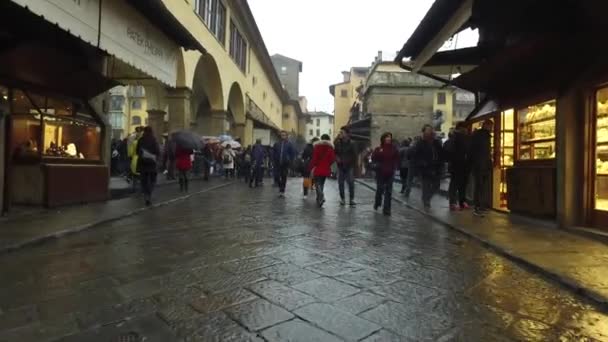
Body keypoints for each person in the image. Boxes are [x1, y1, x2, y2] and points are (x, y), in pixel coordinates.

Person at [413, 125, 444, 210]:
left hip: (436, 167)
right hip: (425, 168)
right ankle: (426, 201)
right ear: (424, 132)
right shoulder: (420, 143)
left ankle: (427, 198)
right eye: (428, 130)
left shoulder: (436, 142)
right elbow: (416, 156)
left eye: (431, 130)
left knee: (436, 186)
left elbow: (441, 153)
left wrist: (441, 163)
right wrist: (422, 163)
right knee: (426, 186)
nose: (430, 131)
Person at [469, 119, 494, 217]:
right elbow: (475, 151)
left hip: (484, 165)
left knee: (482, 186)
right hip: (479, 165)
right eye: (490, 126)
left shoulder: (486, 136)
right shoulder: (480, 135)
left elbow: (486, 152)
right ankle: (477, 207)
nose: (491, 129)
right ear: (486, 126)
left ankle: (481, 206)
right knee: (479, 186)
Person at [372, 132, 400, 216]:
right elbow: (374, 158)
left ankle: (387, 209)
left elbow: (397, 158)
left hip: (390, 172)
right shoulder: (379, 148)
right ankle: (377, 202)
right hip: (380, 172)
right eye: (387, 137)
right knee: (380, 189)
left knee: (388, 191)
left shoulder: (394, 148)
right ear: (383, 138)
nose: (388, 138)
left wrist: (396, 166)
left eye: (390, 137)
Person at [445, 122, 471, 211]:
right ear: (460, 128)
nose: (466, 130)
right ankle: (452, 203)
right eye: (465, 128)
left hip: (464, 165)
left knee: (463, 185)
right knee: (455, 184)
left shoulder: (466, 137)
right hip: (457, 165)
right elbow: (449, 151)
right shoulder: (454, 137)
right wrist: (457, 158)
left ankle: (462, 202)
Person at [309, 134, 336, 208]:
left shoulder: (317, 147)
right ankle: (319, 199)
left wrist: (311, 167)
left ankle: (321, 196)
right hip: (326, 168)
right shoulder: (330, 148)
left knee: (317, 183)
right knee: (322, 184)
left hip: (317, 168)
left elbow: (314, 158)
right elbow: (332, 159)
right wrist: (327, 163)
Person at [136, 127, 160, 206]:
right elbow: (157, 151)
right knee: (153, 180)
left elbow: (137, 151)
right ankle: (149, 194)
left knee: (144, 182)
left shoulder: (140, 140)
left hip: (142, 164)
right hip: (152, 164)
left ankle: (146, 196)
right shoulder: (154, 140)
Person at [334, 128, 358, 206]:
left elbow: (355, 155)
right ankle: (343, 199)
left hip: (349, 166)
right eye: (340, 132)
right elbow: (335, 153)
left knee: (351, 182)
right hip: (340, 166)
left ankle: (351, 199)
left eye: (342, 132)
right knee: (341, 183)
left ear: (347, 134)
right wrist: (337, 158)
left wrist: (352, 164)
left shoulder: (352, 143)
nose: (340, 134)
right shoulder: (338, 143)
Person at [273, 131, 297, 197]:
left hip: (285, 163)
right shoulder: (277, 144)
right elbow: (273, 152)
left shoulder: (289, 144)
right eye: (282, 135)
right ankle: (280, 186)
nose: (283, 136)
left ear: (286, 136)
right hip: (277, 162)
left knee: (284, 177)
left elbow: (292, 154)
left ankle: (282, 191)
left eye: (284, 135)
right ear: (280, 136)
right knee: (277, 176)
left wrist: (290, 161)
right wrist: (274, 159)